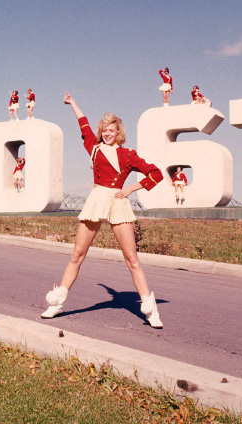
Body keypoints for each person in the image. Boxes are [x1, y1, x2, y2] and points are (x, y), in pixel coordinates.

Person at [40, 92, 165, 329]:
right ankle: (56, 303)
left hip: (118, 200)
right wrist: (72, 103)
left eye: (112, 131)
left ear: (119, 133)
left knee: (132, 259)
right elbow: (83, 123)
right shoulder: (94, 148)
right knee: (77, 254)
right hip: (97, 199)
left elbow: (155, 173)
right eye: (104, 130)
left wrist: (131, 189)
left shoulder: (128, 155)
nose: (107, 134)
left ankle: (150, 309)